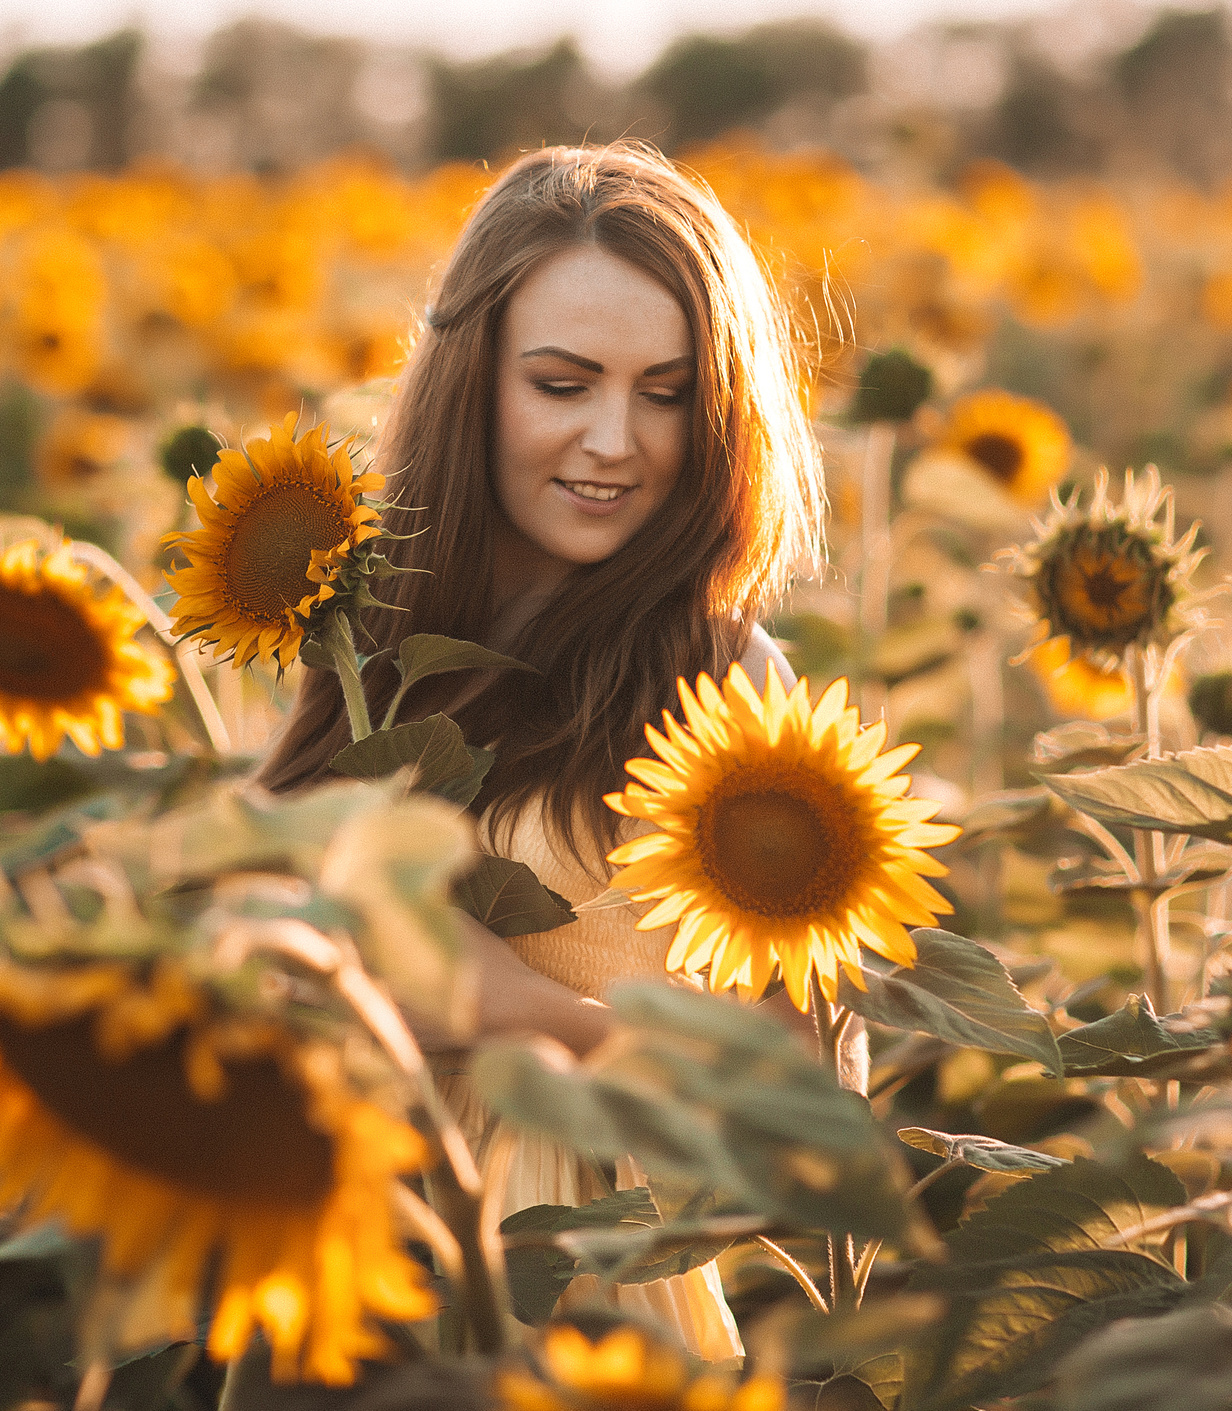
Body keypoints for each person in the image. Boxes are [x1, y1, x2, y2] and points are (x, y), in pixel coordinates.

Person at [260, 142, 828, 1360]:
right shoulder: (363, 648)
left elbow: (807, 1083)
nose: (615, 440)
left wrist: (504, 1002)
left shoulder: (721, 681)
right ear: (474, 384)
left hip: (595, 1316)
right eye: (563, 384)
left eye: (667, 394)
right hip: (340, 1290)